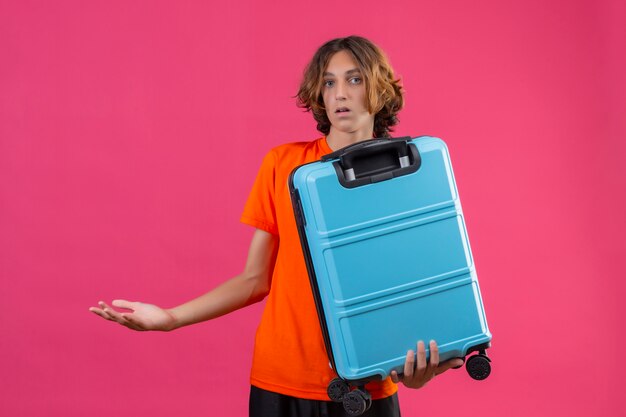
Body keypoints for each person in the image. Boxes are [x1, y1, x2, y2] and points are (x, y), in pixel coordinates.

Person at [89, 35, 464, 417]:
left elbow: (414, 287)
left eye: (354, 79)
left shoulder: (410, 177)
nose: (339, 94)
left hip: (368, 386)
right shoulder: (285, 165)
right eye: (329, 82)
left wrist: (417, 371)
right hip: (279, 380)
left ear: (380, 87)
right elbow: (255, 279)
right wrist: (169, 319)